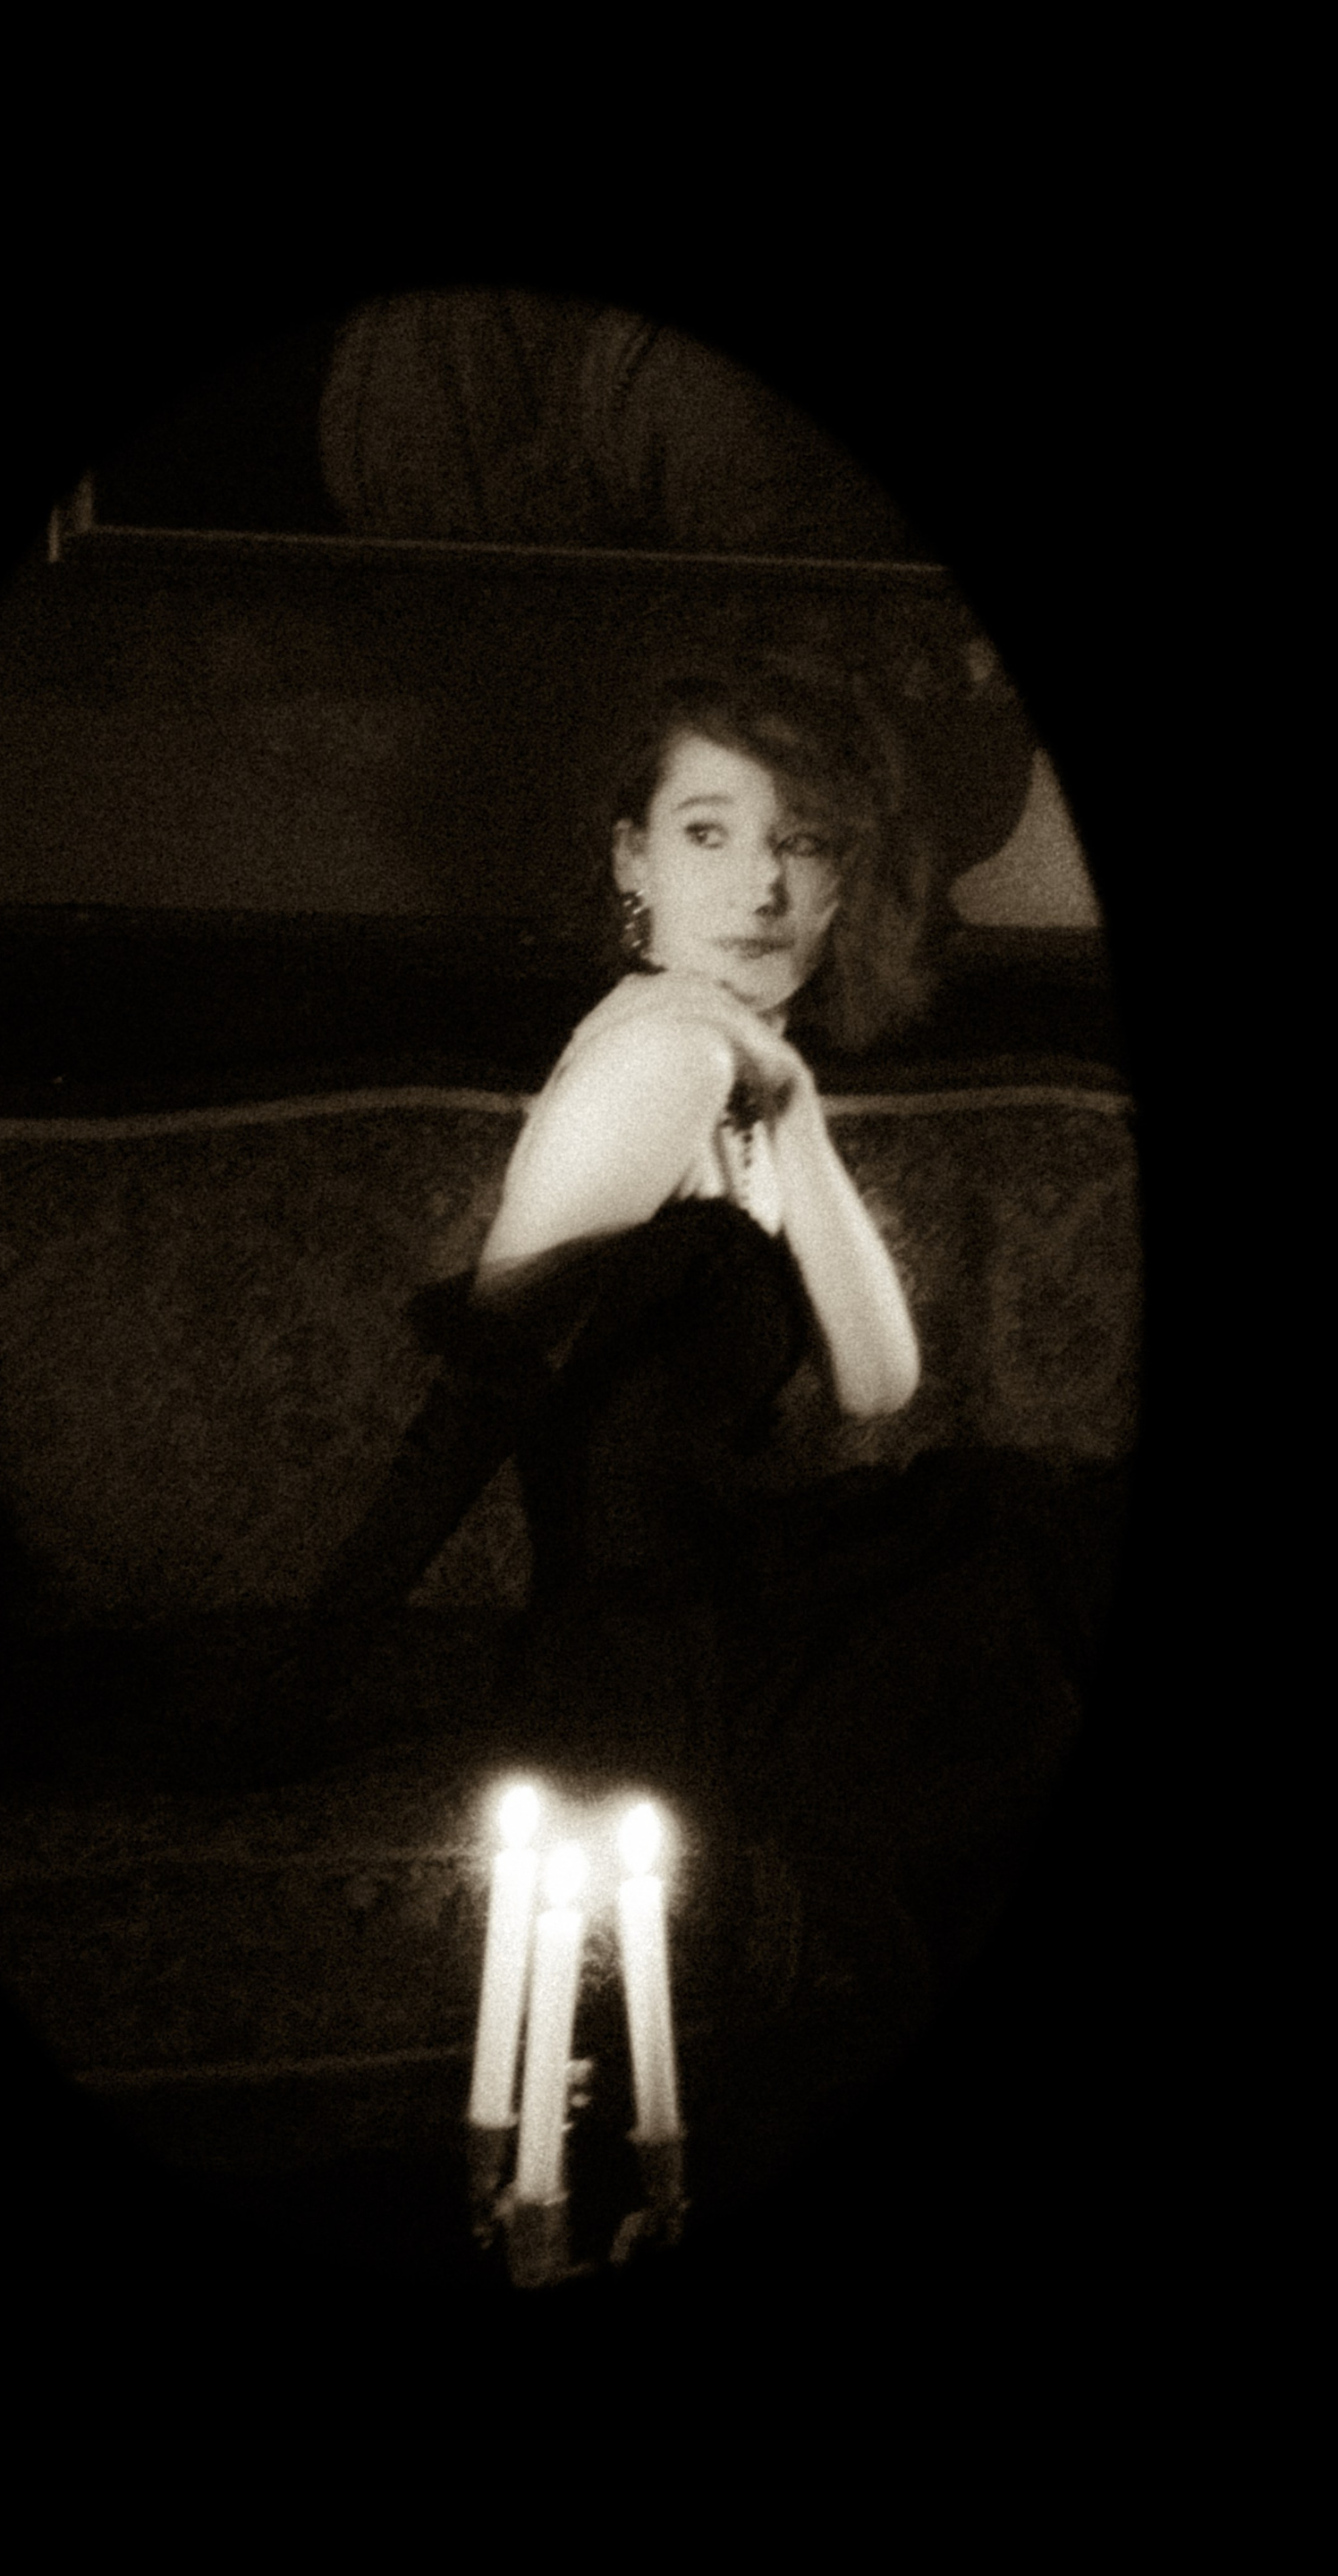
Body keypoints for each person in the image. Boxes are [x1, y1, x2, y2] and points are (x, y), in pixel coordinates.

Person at [245, 655, 1127, 2027]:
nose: (761, 888)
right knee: (1038, 1585)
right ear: (632, 861)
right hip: (662, 1655)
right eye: (709, 833)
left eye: (805, 842)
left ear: (848, 878)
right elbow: (475, 1402)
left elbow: (880, 1381)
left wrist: (798, 1110)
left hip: (733, 1603)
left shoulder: (723, 1065)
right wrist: (302, 1693)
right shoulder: (663, 1061)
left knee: (1041, 1550)